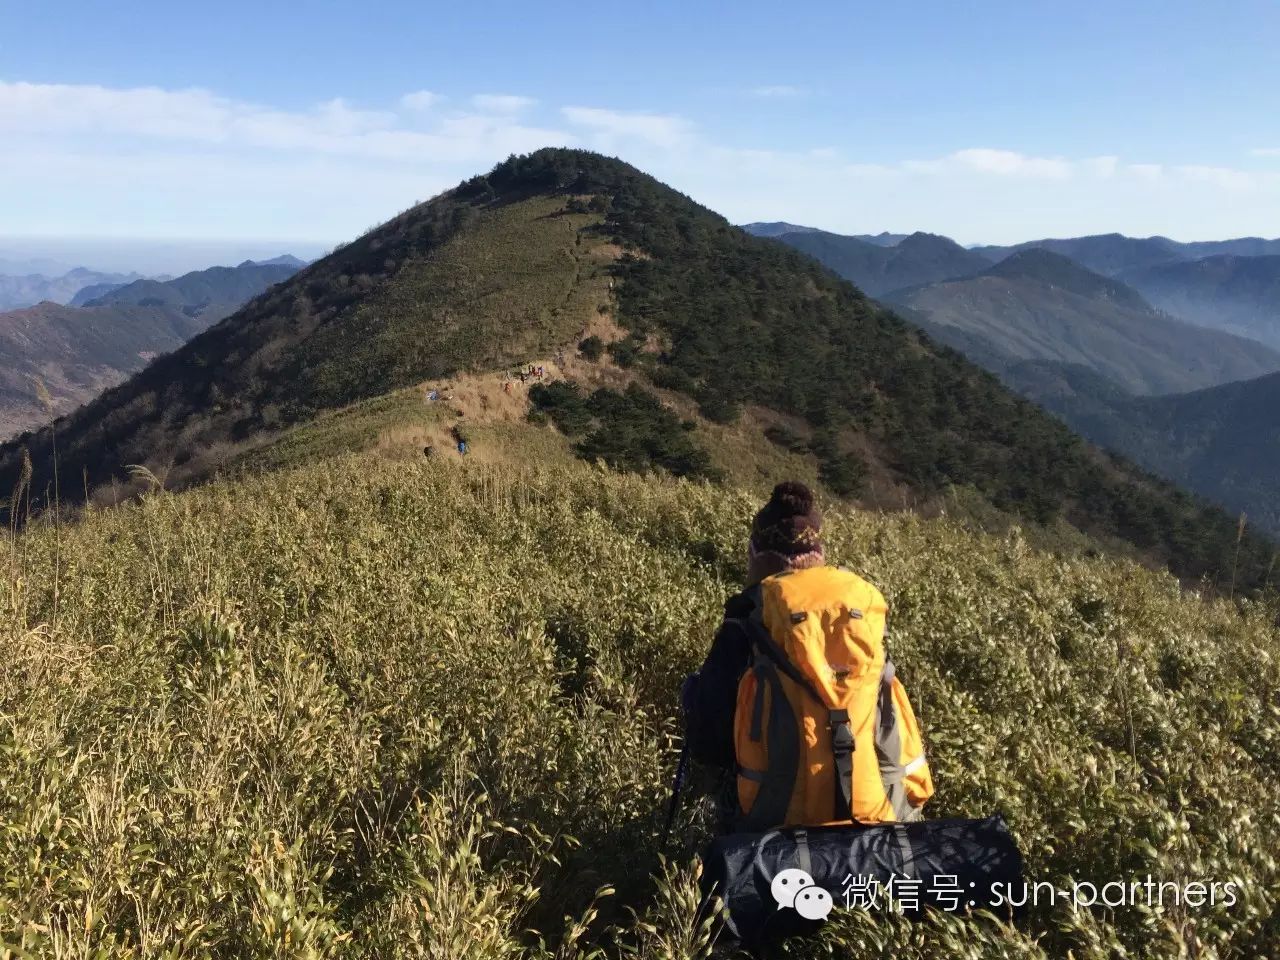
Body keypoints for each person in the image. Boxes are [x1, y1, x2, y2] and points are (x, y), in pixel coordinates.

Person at [681, 480, 933, 832]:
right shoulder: (859, 612)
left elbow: (708, 744)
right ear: (820, 554)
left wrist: (693, 698)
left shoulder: (746, 622)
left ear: (757, 554)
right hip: (878, 816)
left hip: (774, 826)